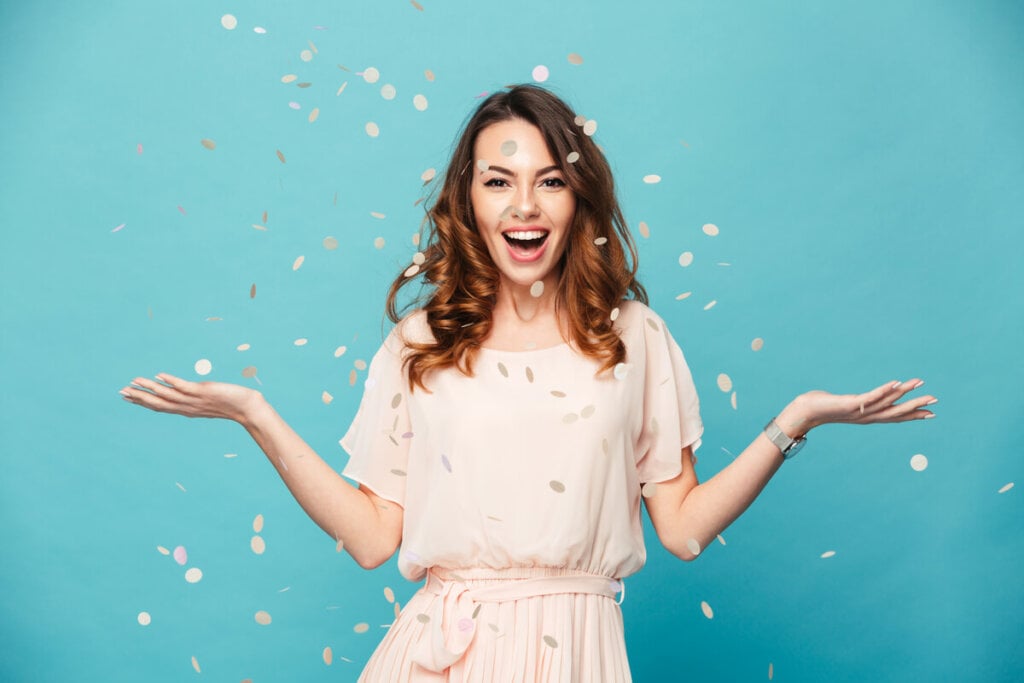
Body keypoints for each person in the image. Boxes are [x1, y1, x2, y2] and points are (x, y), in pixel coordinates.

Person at [119, 84, 936, 681]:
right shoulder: (422, 343)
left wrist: (793, 421)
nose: (525, 204)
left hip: (580, 649)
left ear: (578, 196)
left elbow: (681, 528)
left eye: (550, 179)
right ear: (467, 198)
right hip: (439, 654)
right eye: (498, 180)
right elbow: (373, 536)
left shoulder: (633, 338)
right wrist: (256, 414)